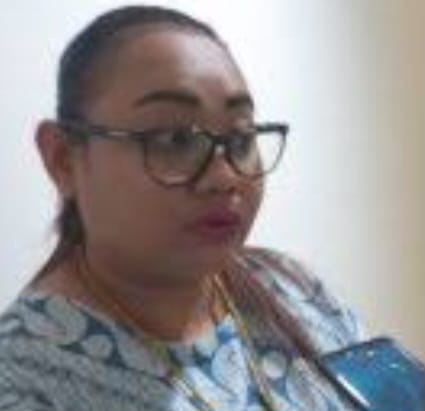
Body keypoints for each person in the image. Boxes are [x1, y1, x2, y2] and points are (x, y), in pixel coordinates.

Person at [0, 5, 365, 411]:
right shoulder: (22, 380)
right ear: (64, 159)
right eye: (175, 140)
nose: (225, 177)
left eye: (242, 138)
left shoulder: (296, 292)